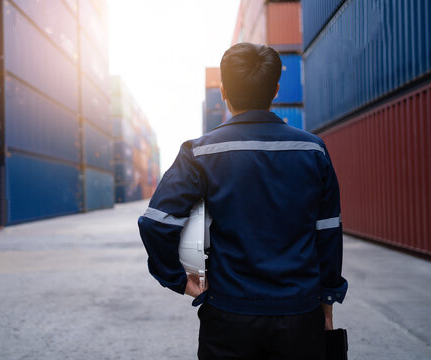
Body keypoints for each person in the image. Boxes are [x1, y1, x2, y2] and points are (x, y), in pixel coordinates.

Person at [138, 43, 348, 360]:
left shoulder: (199, 152)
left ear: (223, 90)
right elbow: (328, 232)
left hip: (228, 316)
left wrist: (179, 279)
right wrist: (327, 304)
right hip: (299, 313)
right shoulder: (313, 150)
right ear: (275, 90)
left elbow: (156, 223)